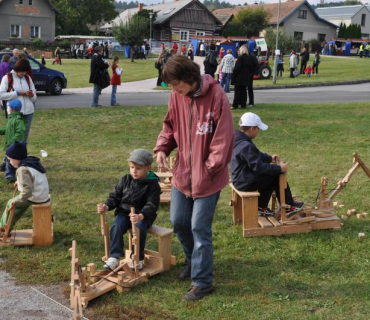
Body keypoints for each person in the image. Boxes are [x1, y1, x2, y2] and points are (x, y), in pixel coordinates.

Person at [154, 55, 234, 301]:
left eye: (175, 83)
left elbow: (223, 139)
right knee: (178, 221)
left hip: (208, 178)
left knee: (199, 227)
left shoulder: (217, 95)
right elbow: (169, 126)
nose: (173, 88)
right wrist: (162, 148)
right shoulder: (176, 96)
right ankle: (192, 260)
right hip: (183, 174)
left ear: (189, 78)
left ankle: (202, 283)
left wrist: (209, 169)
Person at [97, 149, 160, 271]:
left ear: (148, 168)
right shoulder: (125, 179)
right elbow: (115, 196)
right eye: (132, 167)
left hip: (143, 216)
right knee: (117, 226)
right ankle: (114, 257)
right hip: (124, 212)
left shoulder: (152, 185)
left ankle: (137, 257)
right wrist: (106, 206)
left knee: (139, 229)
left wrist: (141, 215)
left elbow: (152, 204)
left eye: (138, 168)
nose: (134, 171)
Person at [231, 112, 303, 216]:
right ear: (252, 129)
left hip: (240, 177)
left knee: (269, 175)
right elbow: (259, 167)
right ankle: (288, 206)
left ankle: (262, 206)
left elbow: (256, 154)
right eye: (258, 129)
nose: (258, 131)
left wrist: (270, 158)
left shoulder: (239, 139)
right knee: (275, 175)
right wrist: (279, 168)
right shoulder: (246, 145)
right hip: (244, 181)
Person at [0, 141, 49, 233]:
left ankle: (3, 228)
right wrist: (19, 182)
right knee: (15, 203)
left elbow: (27, 191)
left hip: (35, 196)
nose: (10, 163)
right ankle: (5, 226)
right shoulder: (30, 163)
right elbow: (32, 179)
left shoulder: (22, 169)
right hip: (42, 193)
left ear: (17, 158)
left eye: (10, 159)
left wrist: (17, 201)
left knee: (11, 204)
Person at [0, 59, 37, 141]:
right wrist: (18, 93)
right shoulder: (7, 78)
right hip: (14, 113)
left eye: (25, 71)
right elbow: (1, 95)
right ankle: (11, 153)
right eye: (22, 71)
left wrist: (31, 95)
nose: (23, 73)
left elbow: (34, 98)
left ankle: (23, 153)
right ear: (17, 68)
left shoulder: (28, 78)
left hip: (28, 112)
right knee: (14, 137)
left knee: (24, 138)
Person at [0, 99, 27, 182]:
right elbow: (8, 130)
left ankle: (9, 175)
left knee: (10, 160)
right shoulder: (11, 119)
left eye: (8, 107)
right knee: (8, 158)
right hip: (10, 145)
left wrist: (11, 142)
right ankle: (4, 166)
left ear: (11, 109)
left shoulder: (19, 120)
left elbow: (19, 133)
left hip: (15, 145)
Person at [231, 45, 255, 109]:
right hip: (246, 77)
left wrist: (234, 75)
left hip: (239, 77)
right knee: (244, 92)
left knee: (237, 92)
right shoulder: (249, 58)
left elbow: (237, 68)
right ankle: (243, 104)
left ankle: (235, 105)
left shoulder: (240, 58)